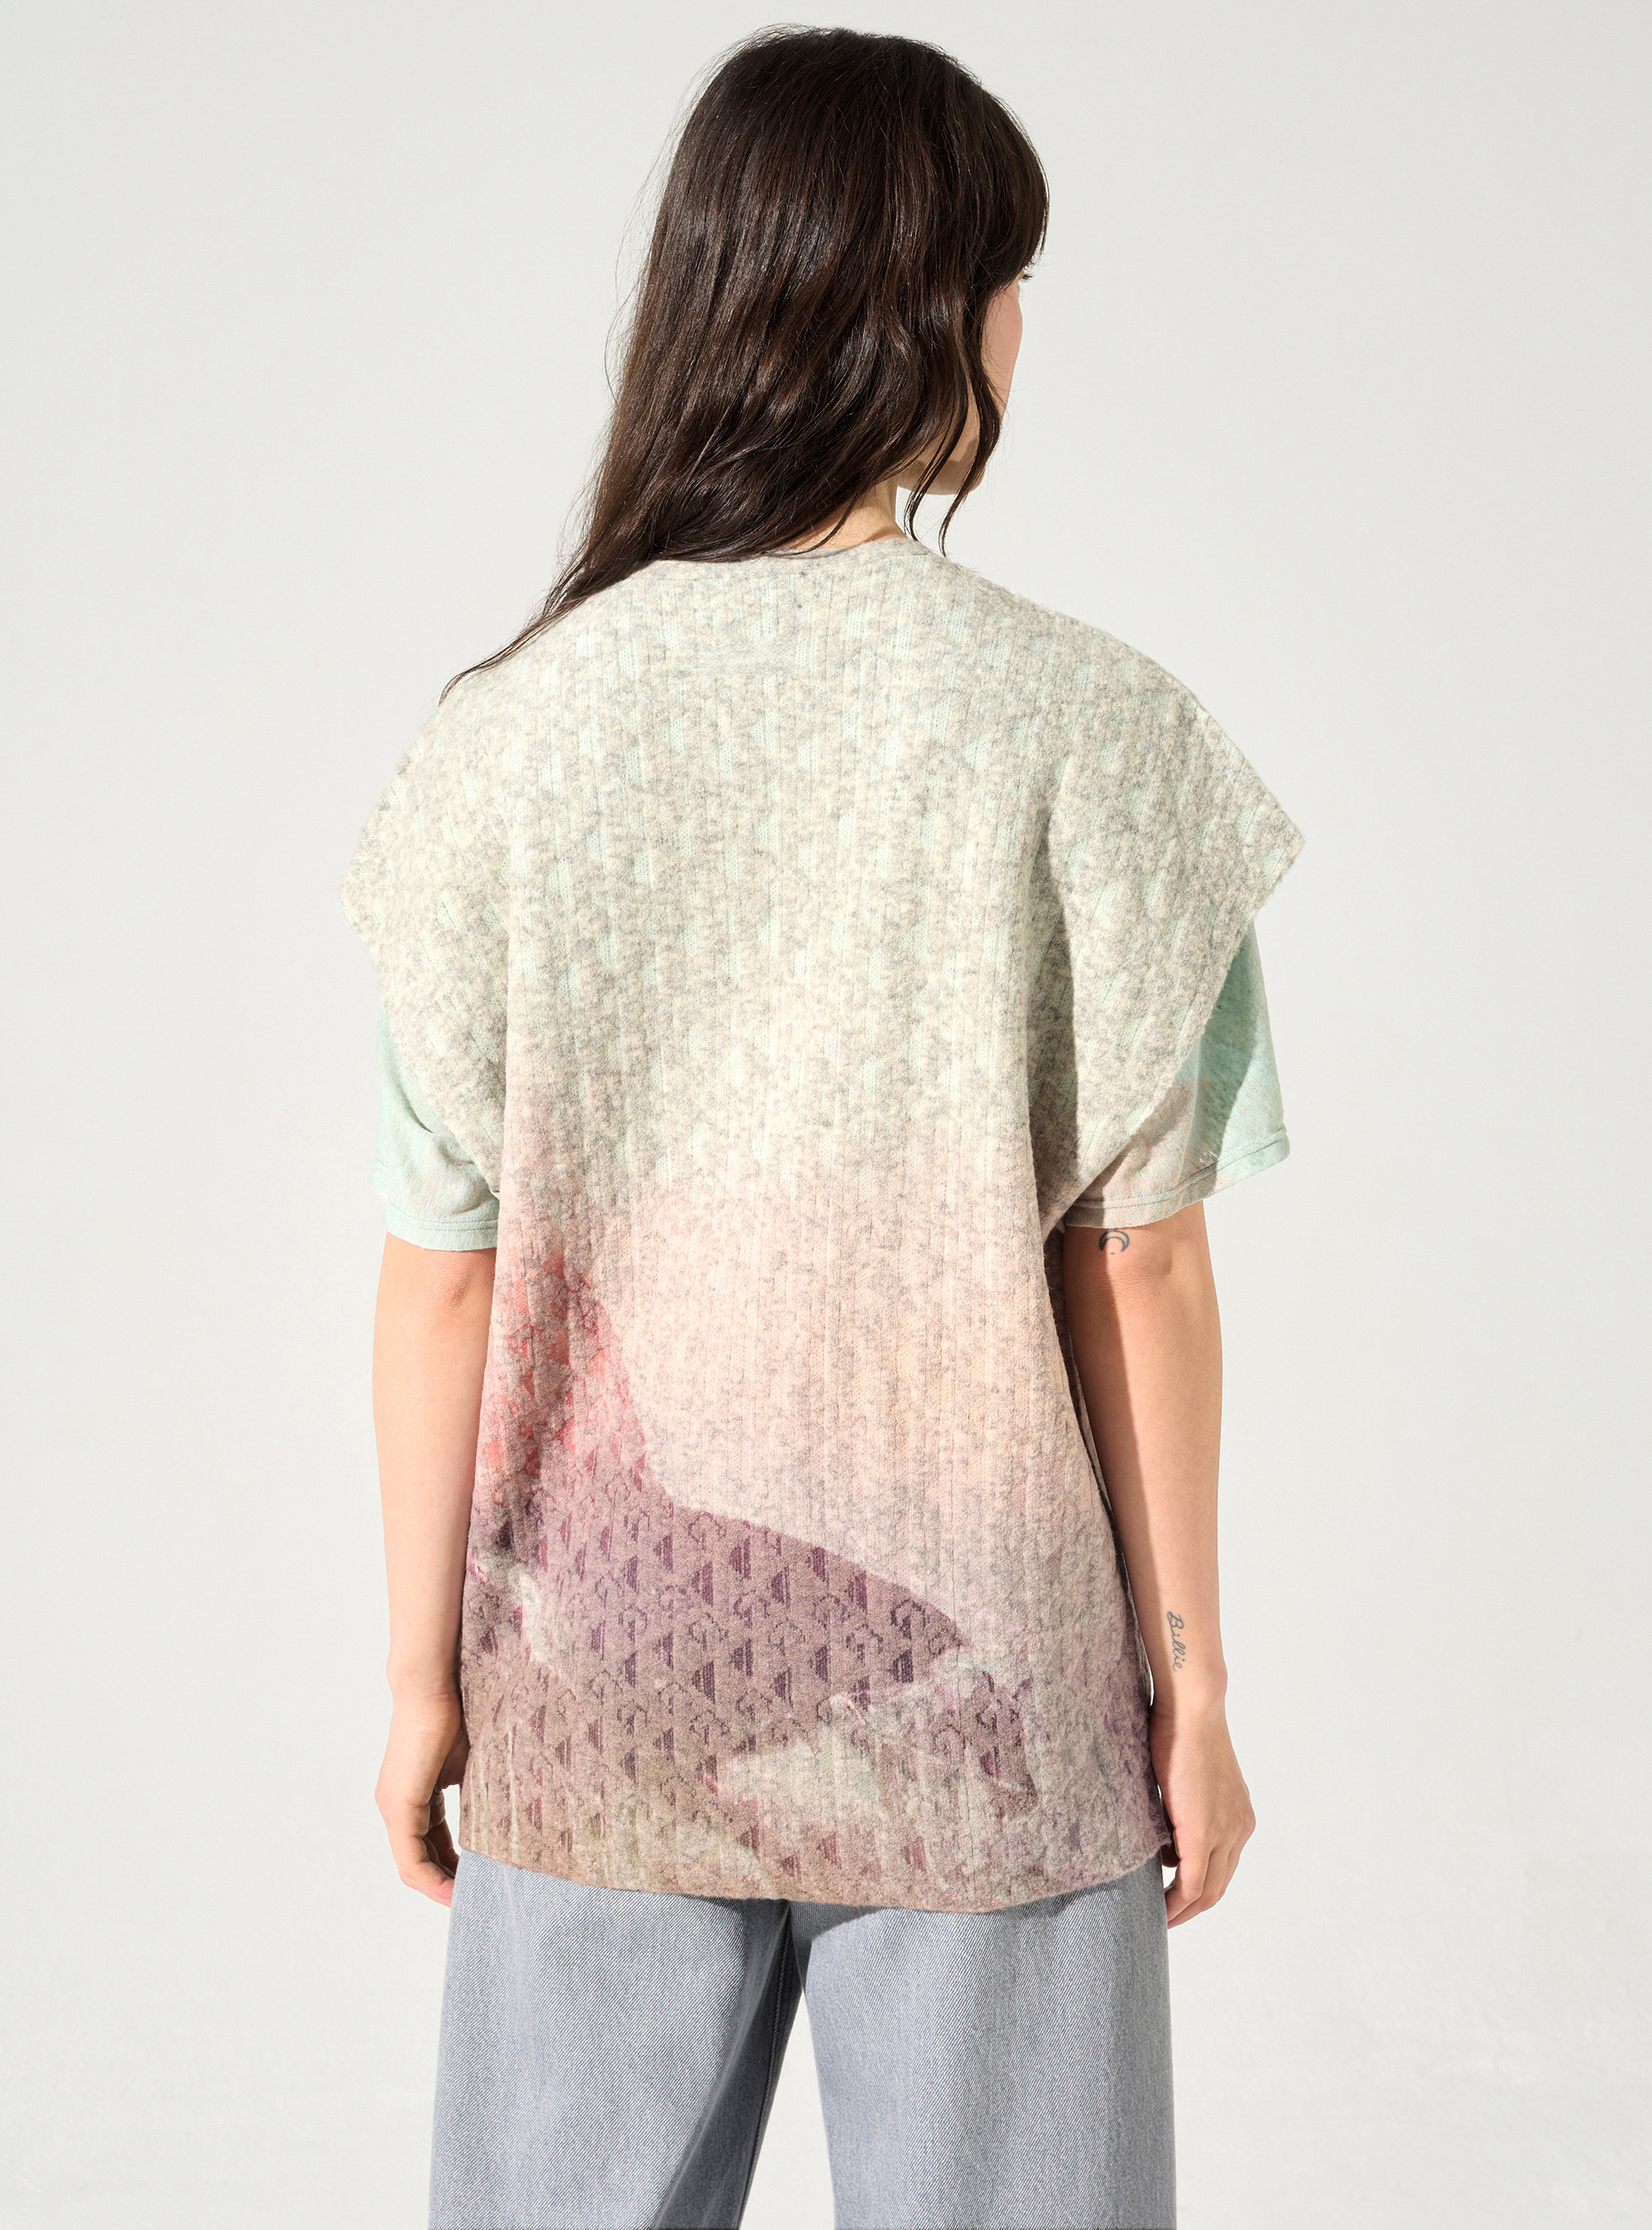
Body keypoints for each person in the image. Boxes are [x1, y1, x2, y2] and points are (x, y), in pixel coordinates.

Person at [339, 26, 1302, 2230]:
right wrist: (1193, 1685)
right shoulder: (1099, 738)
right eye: (1007, 279)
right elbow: (1142, 1255)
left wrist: (418, 1681)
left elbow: (441, 1267)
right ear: (926, 312)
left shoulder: (502, 746)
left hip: (594, 1686)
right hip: (996, 1693)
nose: (1023, 330)